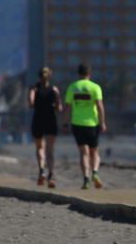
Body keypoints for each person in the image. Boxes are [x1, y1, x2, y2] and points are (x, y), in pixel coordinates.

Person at [64, 62, 107, 190]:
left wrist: (65, 123)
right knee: (94, 152)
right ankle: (95, 172)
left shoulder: (73, 87)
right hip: (92, 124)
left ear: (78, 73)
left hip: (77, 123)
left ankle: (86, 179)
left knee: (83, 153)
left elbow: (67, 107)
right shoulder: (95, 87)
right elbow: (100, 106)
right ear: (89, 73)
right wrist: (102, 122)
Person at [28, 66, 63, 188]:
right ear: (50, 76)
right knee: (50, 150)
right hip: (50, 121)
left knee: (39, 148)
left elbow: (31, 103)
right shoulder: (54, 89)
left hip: (38, 120)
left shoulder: (34, 89)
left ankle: (42, 170)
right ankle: (51, 175)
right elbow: (59, 108)